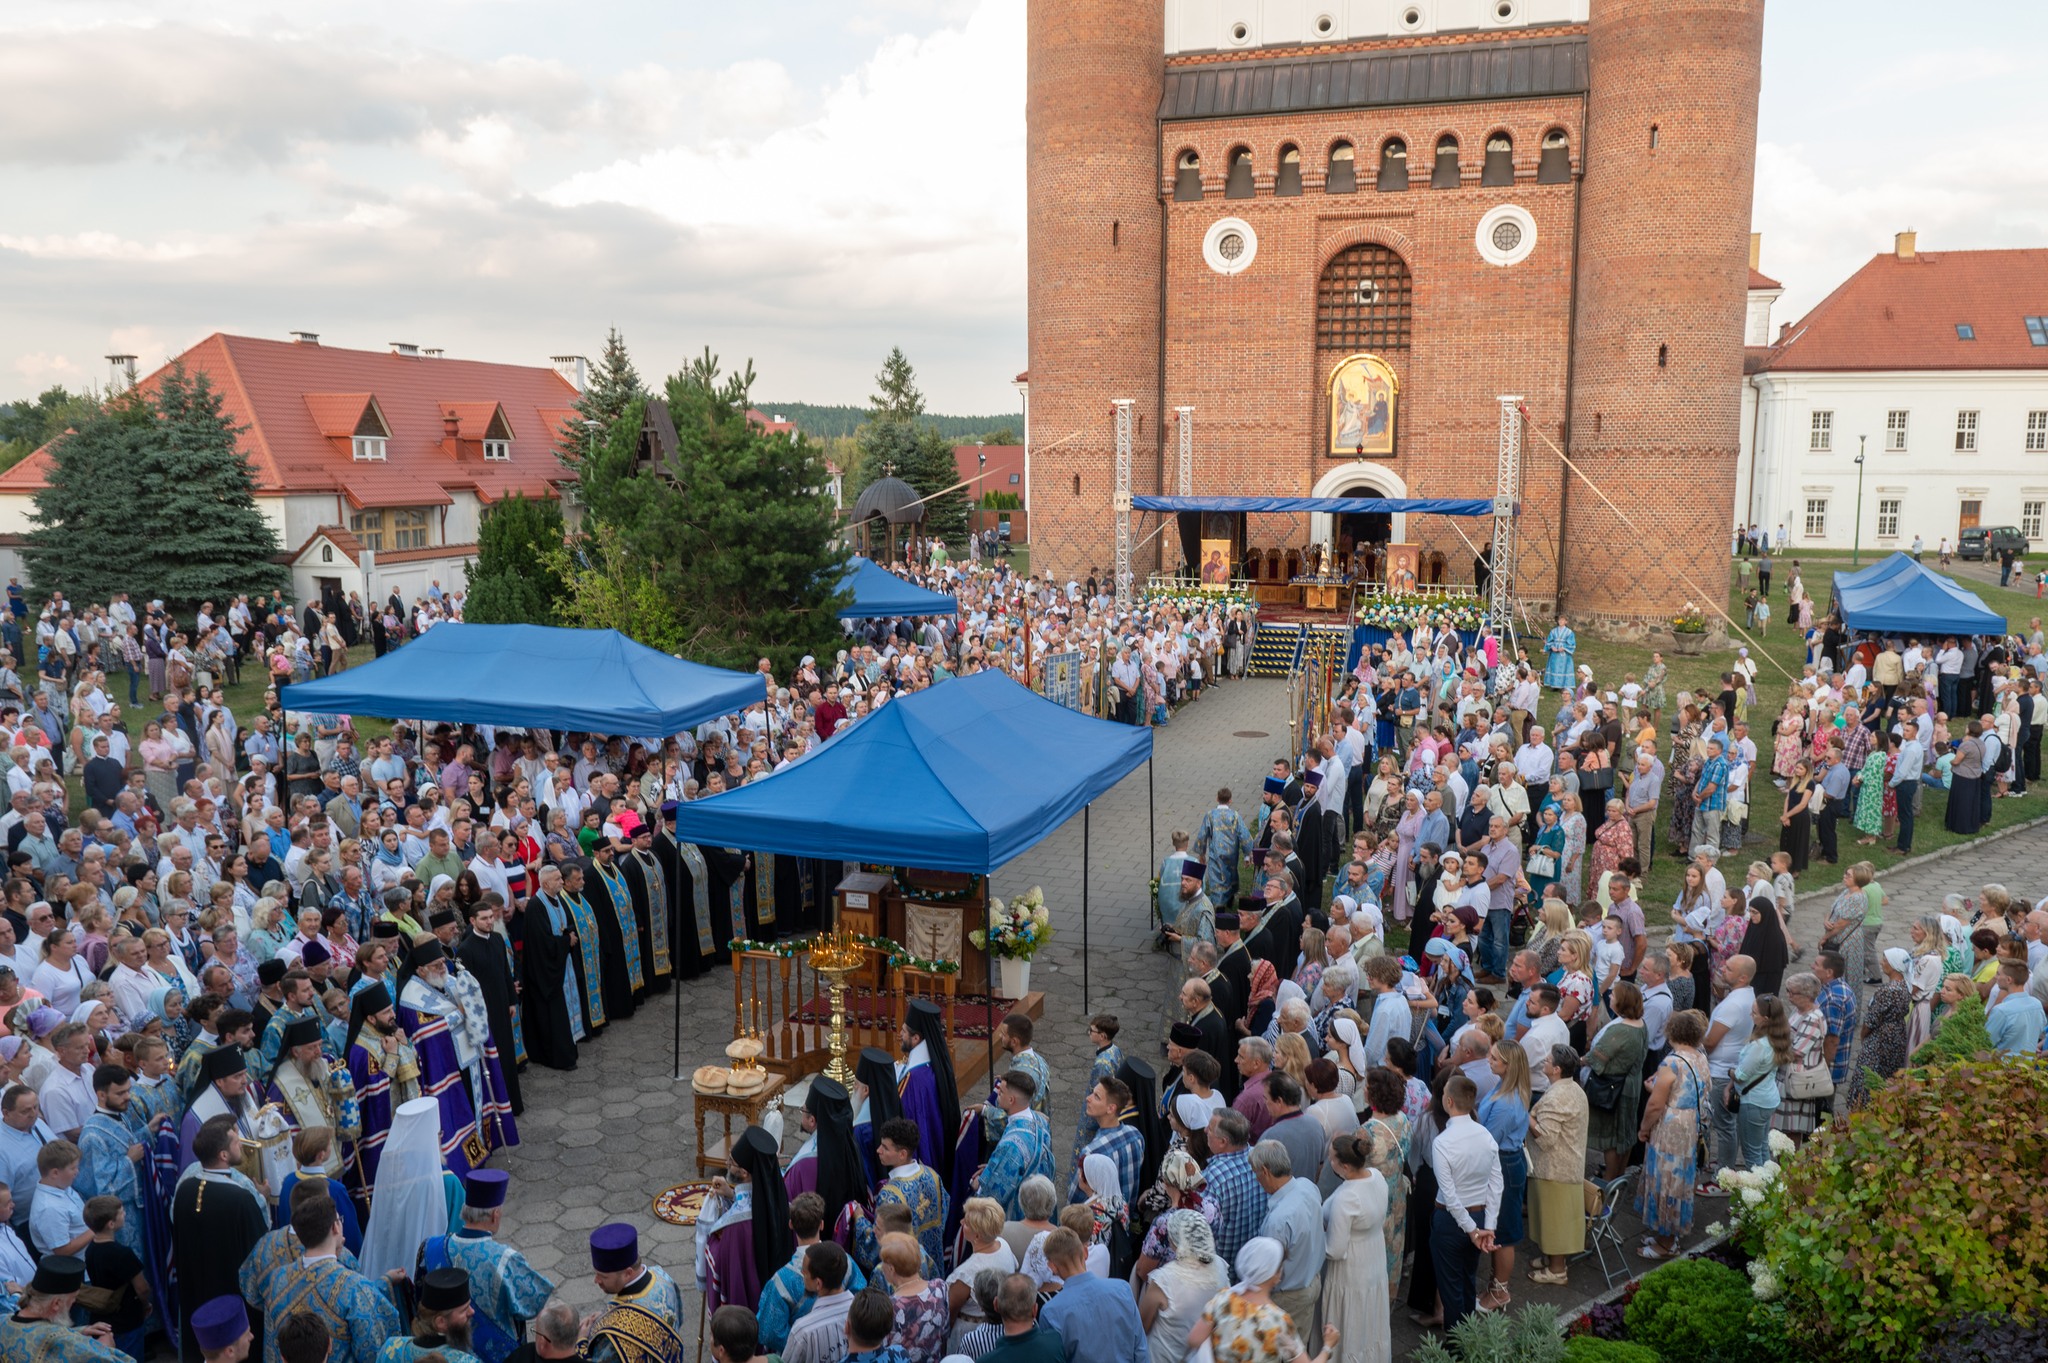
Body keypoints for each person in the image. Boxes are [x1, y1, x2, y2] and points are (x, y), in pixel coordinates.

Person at [247, 1191, 403, 1363]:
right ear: (335, 1227)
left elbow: (272, 1337)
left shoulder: (277, 1279)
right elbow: (376, 1351)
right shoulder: (355, 1287)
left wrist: (384, 1280)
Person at [418, 1170, 553, 1363]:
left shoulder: (430, 1247)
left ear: (464, 1211)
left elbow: (421, 1300)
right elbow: (534, 1302)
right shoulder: (505, 1259)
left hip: (441, 1355)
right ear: (495, 1215)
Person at [174, 1117, 271, 1362]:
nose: (242, 1147)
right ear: (224, 1155)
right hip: (232, 1305)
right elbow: (261, 1254)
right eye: (237, 1143)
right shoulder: (240, 1199)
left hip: (197, 1296)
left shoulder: (185, 1189)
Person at [1184, 1237, 1340, 1363]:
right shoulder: (1278, 1322)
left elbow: (1194, 1340)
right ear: (1275, 1275)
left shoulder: (1222, 1299)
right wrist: (1327, 1346)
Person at [696, 1126, 794, 1318]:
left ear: (744, 1173)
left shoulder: (734, 1226)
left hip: (749, 1308)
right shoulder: (780, 1198)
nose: (726, 1163)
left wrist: (713, 1235)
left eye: (731, 1161)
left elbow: (721, 1260)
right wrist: (732, 1195)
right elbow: (755, 1210)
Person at [1635, 1009, 1708, 1260]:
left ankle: (1666, 1243)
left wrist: (1644, 1129)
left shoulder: (1671, 1062)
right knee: (1679, 1180)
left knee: (1665, 1179)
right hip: (1689, 1124)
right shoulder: (1700, 1056)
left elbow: (1656, 1104)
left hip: (1670, 1126)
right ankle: (1669, 1235)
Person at [1319, 1133, 1390, 1363]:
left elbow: (1335, 1250)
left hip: (1351, 1269)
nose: (1329, 1162)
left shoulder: (1347, 1198)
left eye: (1332, 1159)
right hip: (1374, 1257)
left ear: (1345, 1166)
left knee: (1351, 1320)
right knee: (1369, 1319)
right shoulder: (1377, 1177)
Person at [1522, 1044, 1588, 1285]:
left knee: (1554, 1222)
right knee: (1550, 1219)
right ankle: (1551, 1259)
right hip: (1566, 1164)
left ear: (1557, 1069)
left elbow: (1546, 1138)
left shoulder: (1556, 1097)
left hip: (1555, 1168)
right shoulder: (1574, 1089)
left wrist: (1526, 1116)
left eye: (1547, 1060)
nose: (1543, 1063)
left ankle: (1557, 1271)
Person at [1249, 1139, 1324, 1341]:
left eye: (1256, 1173)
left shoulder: (1278, 1220)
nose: (1256, 1179)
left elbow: (1270, 1270)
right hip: (1311, 1281)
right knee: (1300, 1344)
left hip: (1289, 1295)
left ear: (1265, 1171)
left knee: (1283, 1351)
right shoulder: (1308, 1186)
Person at [583, 1229, 686, 1363]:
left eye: (603, 1276)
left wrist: (581, 1341)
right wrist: (607, 1316)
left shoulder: (612, 1338)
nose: (596, 1280)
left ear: (628, 1273)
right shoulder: (663, 1278)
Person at [1139, 1210, 1229, 1363]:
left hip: (1164, 1357)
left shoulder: (1164, 1279)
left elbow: (1141, 1326)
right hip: (1203, 1356)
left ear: (1175, 1241)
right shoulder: (1220, 1265)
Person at [1583, 981, 1648, 1180]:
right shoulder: (1640, 1024)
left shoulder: (1621, 1031)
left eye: (1614, 996)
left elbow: (1596, 1058)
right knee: (1625, 1133)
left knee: (1613, 1137)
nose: (1610, 997)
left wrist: (1574, 1060)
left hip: (1614, 1089)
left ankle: (1610, 1180)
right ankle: (1618, 1176)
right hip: (1630, 1084)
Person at [896, 999, 963, 1183]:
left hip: (923, 1157)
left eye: (904, 1031)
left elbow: (905, 1117)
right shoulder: (937, 1062)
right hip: (939, 1142)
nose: (900, 1034)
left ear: (916, 1038)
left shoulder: (914, 1079)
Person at [1848, 950, 1913, 1110]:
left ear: (1894, 965)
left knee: (1869, 1074)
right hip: (1897, 1033)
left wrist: (1864, 1036)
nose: (1882, 962)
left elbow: (1871, 1020)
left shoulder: (1888, 990)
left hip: (1882, 1036)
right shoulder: (1905, 985)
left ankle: (1863, 1107)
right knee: (1888, 1072)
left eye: (1885, 960)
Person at [375, 1266, 480, 1363]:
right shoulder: (467, 1361)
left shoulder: (390, 1349)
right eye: (464, 1310)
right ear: (441, 1322)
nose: (472, 1312)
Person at [783, 1242, 857, 1363]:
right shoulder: (864, 1312)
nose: (802, 1274)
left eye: (805, 1273)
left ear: (818, 1283)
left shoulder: (803, 1331)